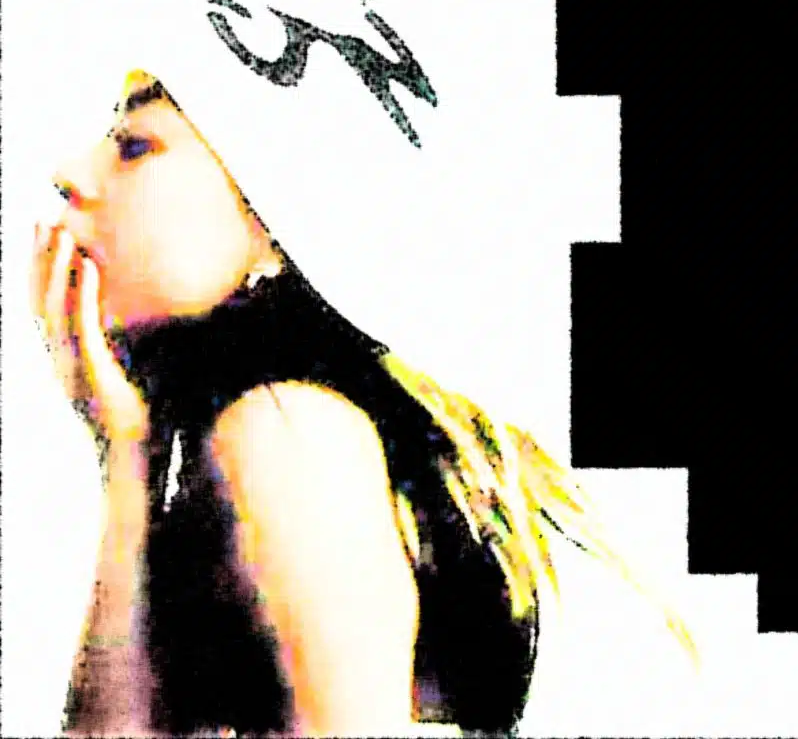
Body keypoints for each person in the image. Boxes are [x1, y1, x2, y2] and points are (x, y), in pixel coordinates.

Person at [32, 69, 699, 739]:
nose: (69, 174)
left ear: (273, 221)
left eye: (135, 146)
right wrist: (124, 454)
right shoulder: (294, 431)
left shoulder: (290, 437)